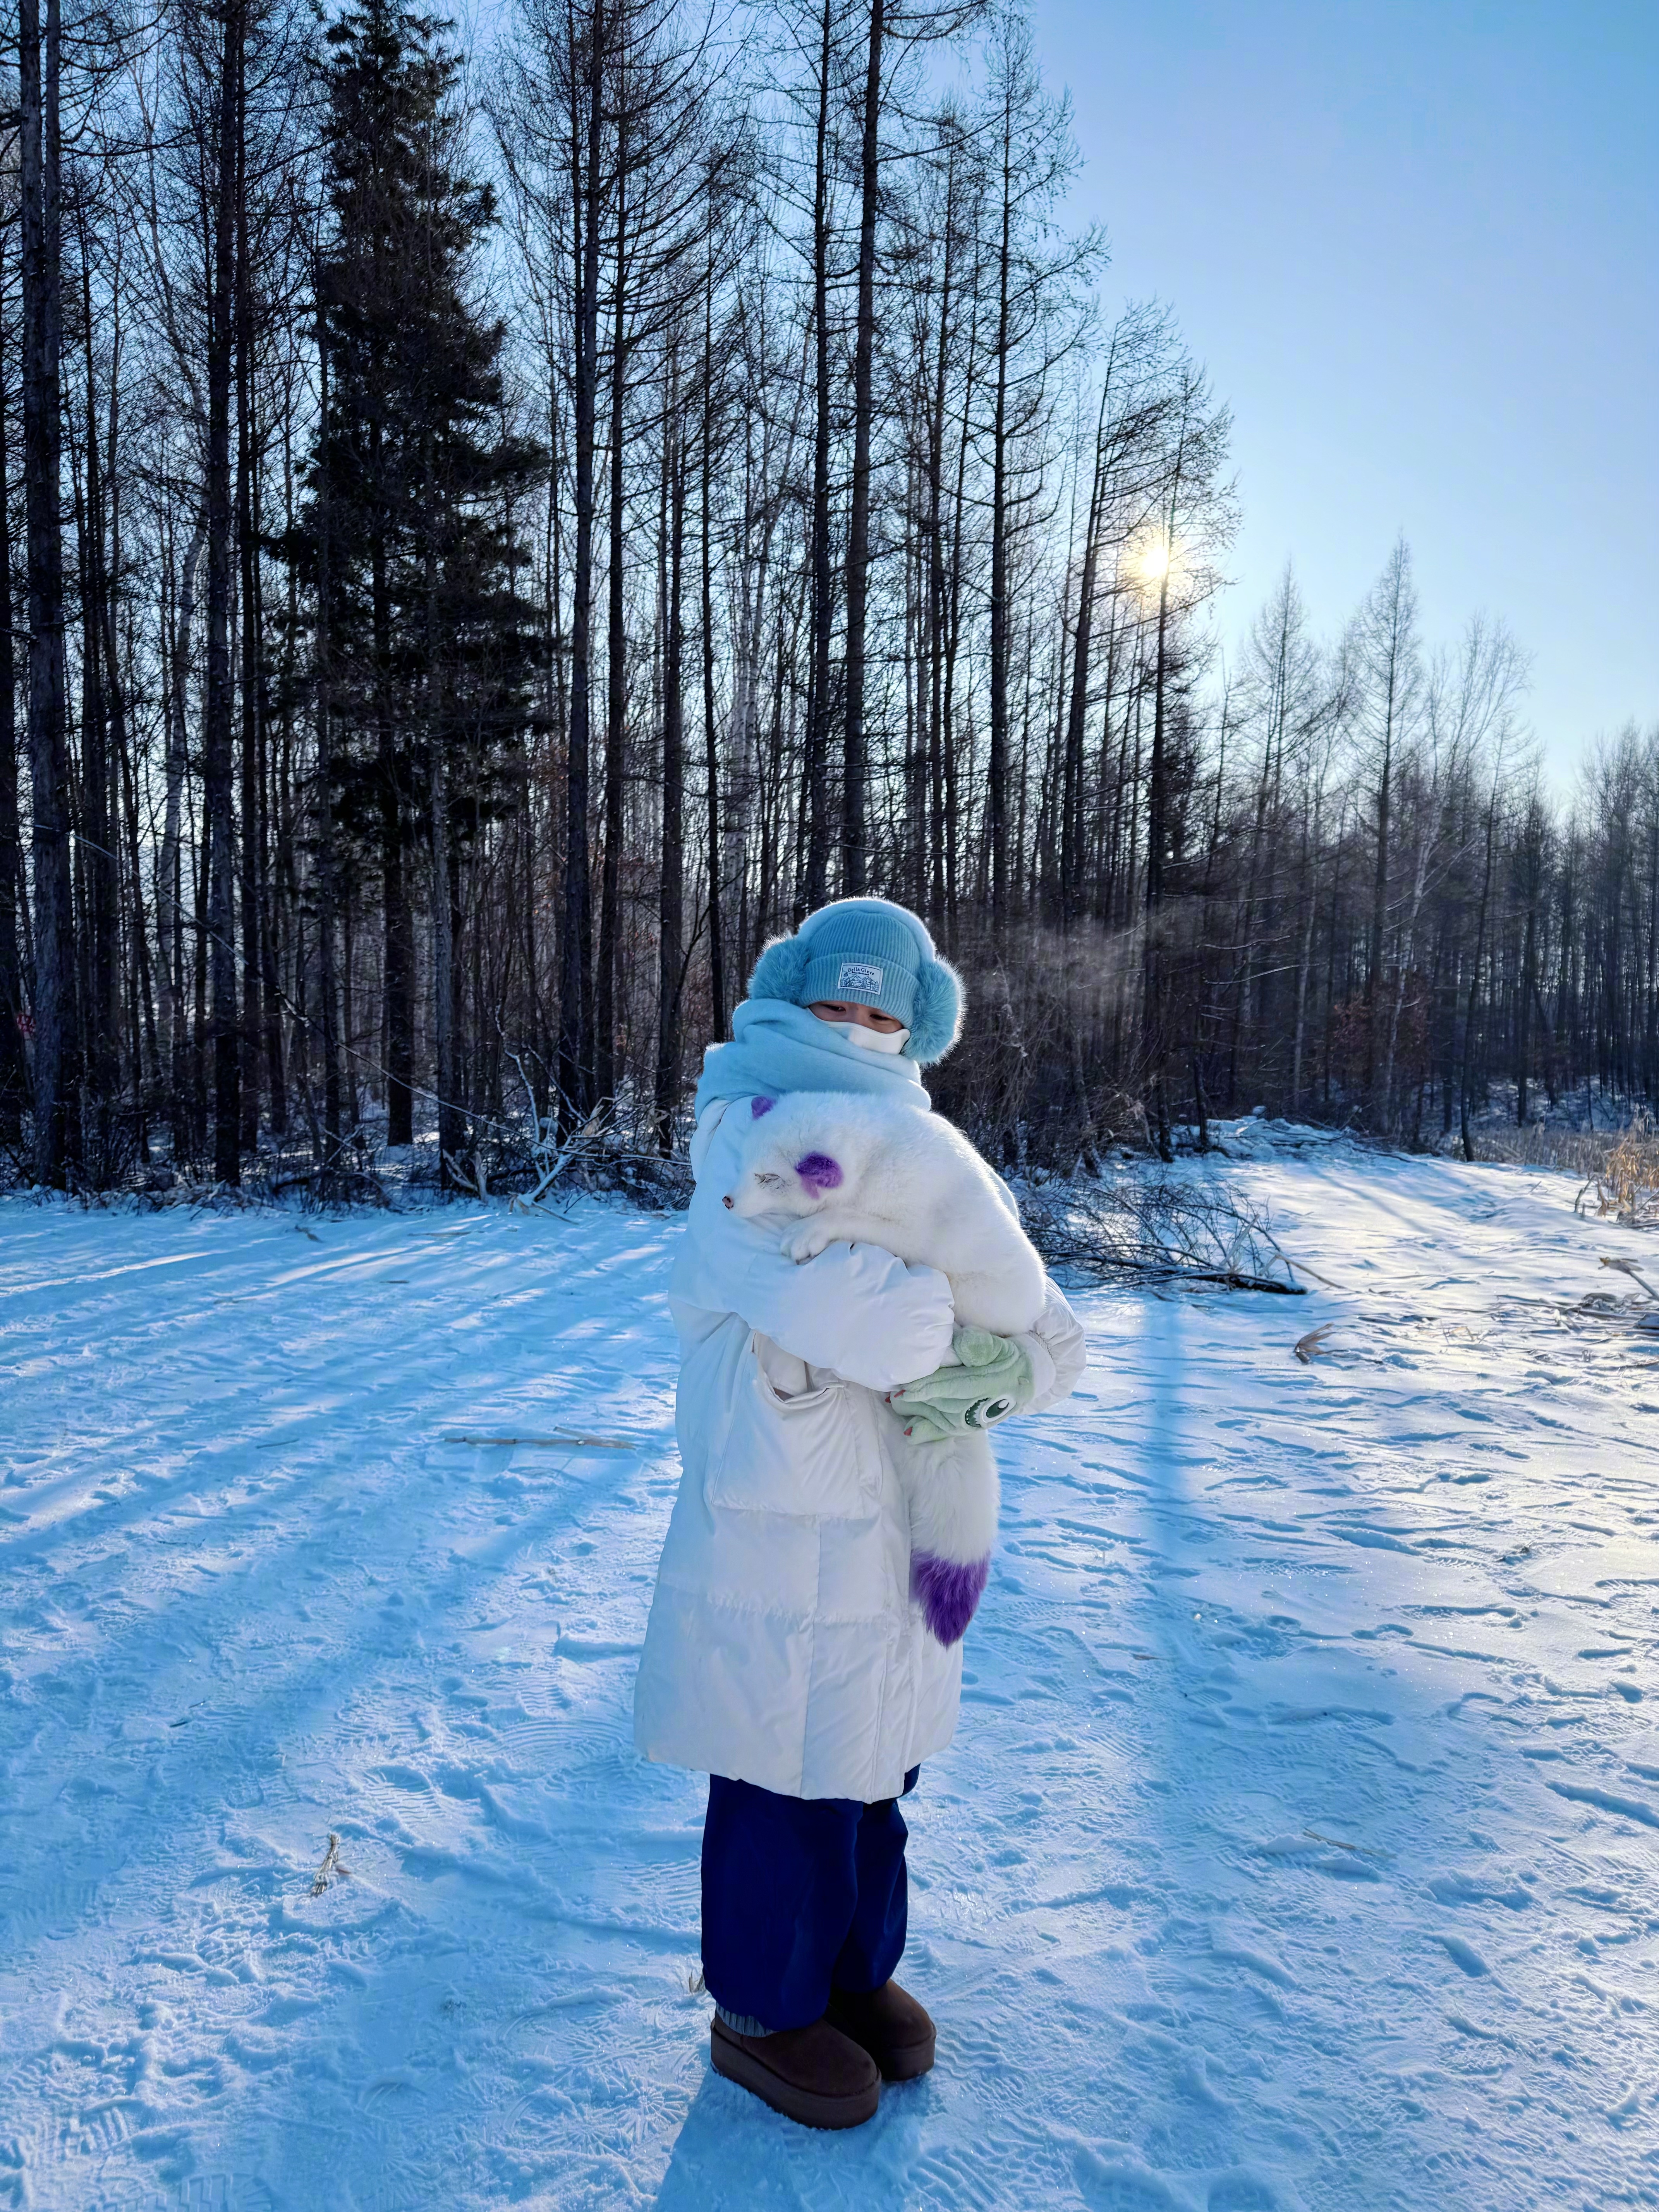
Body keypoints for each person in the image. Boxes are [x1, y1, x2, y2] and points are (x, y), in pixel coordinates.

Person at [633, 897, 1085, 2130]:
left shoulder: (922, 1145)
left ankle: (850, 1977)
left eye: (882, 1013)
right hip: (782, 1511)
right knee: (782, 1766)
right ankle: (762, 2013)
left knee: (875, 1765)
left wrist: (1004, 1358)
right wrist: (958, 1325)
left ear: (913, 1024)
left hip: (894, 1520)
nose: (856, 1028)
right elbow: (880, 1325)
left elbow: (1046, 1332)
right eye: (836, 1002)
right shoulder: (748, 1130)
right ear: (792, 994)